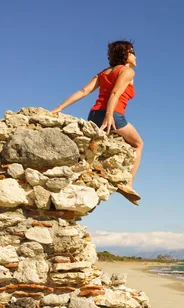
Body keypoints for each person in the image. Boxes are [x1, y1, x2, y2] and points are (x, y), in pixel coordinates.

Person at [51, 40, 143, 205]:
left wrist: (59, 108)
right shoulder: (127, 72)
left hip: (94, 114)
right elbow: (115, 93)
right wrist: (109, 115)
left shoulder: (103, 73)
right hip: (113, 113)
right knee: (138, 144)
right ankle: (128, 184)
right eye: (133, 52)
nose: (135, 56)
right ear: (126, 54)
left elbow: (83, 91)